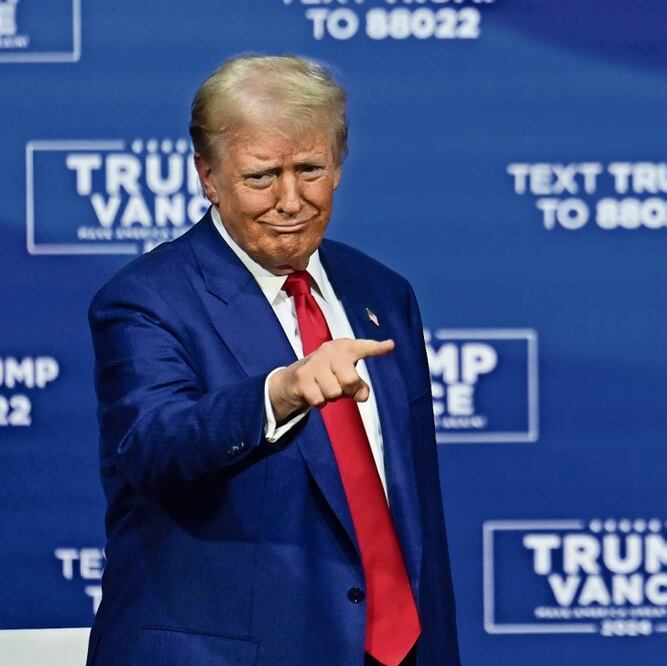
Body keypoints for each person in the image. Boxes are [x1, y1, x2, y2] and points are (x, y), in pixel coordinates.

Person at [87, 55, 458, 666]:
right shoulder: (145, 299)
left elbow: (414, 510)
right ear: (208, 175)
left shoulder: (383, 295)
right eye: (262, 177)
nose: (291, 200)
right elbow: (153, 445)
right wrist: (278, 392)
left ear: (338, 165)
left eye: (310, 169)